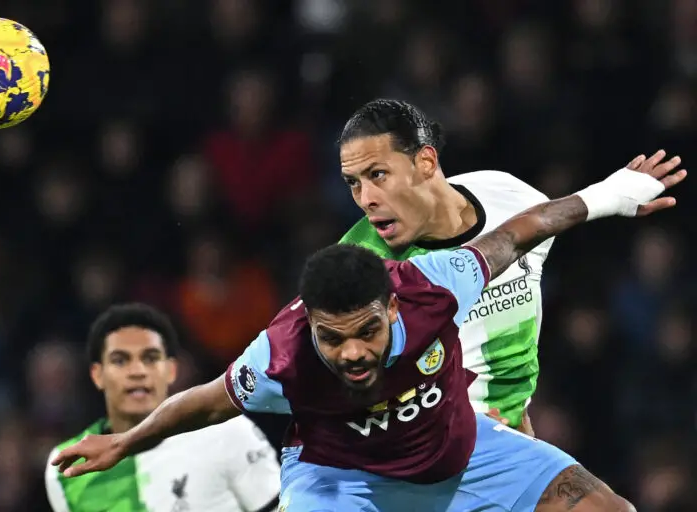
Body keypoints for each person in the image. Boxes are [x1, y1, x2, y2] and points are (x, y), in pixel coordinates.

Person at [52, 152, 685, 510]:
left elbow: (525, 227)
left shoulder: (433, 286)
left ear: (392, 308)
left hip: (459, 455)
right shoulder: (281, 356)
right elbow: (209, 399)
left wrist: (612, 193)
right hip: (341, 480)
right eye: (333, 339)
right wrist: (126, 442)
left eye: (366, 332)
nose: (352, 353)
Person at [338, 99, 550, 433]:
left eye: (378, 175)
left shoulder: (513, 199)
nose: (366, 199)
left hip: (514, 439)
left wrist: (517, 423)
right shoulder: (357, 267)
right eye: (353, 183)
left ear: (425, 162)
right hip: (426, 452)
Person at [44, 303, 281, 512]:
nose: (137, 371)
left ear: (171, 371)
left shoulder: (227, 432)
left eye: (150, 358)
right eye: (120, 360)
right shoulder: (67, 466)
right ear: (97, 375)